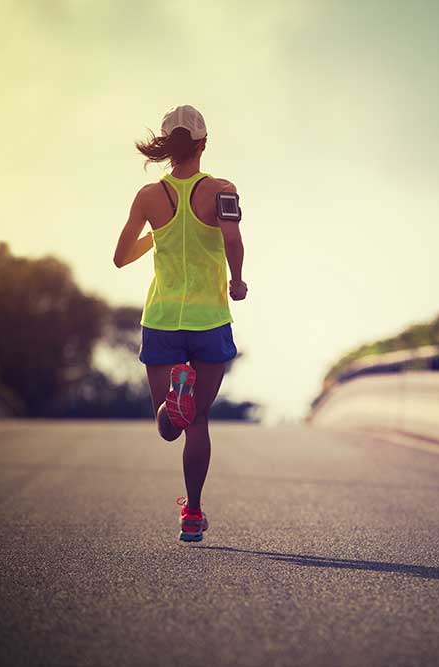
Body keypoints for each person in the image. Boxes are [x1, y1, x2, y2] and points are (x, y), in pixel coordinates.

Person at [112, 104, 246, 543]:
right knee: (201, 421)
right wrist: (238, 281)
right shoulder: (222, 189)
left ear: (167, 147)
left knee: (169, 428)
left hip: (164, 319)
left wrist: (159, 234)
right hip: (209, 319)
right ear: (203, 143)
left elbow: (120, 257)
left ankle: (173, 404)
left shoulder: (148, 197)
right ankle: (192, 513)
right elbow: (231, 238)